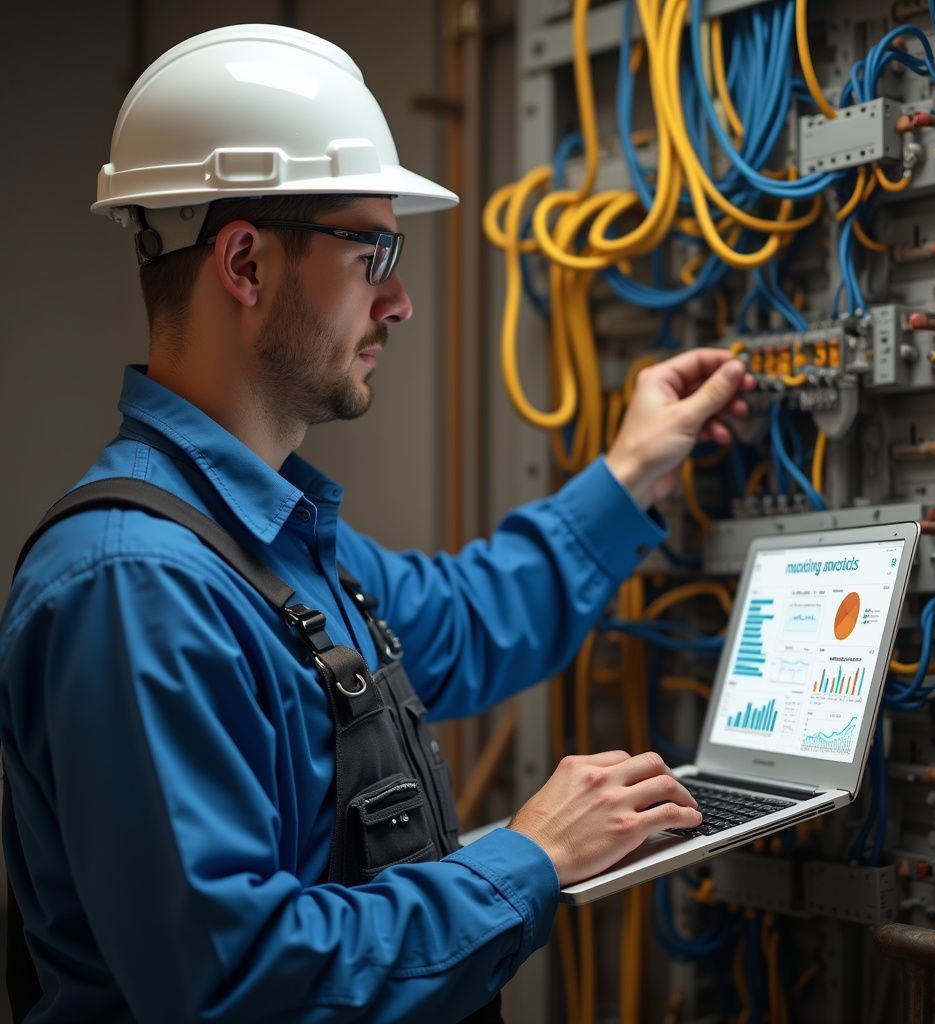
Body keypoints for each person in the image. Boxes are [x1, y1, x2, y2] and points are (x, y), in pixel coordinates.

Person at [0, 23, 754, 1024]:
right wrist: (524, 859)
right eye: (373, 252)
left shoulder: (271, 543)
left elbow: (465, 616)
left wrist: (631, 473)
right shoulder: (137, 585)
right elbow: (240, 986)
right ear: (244, 263)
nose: (398, 301)